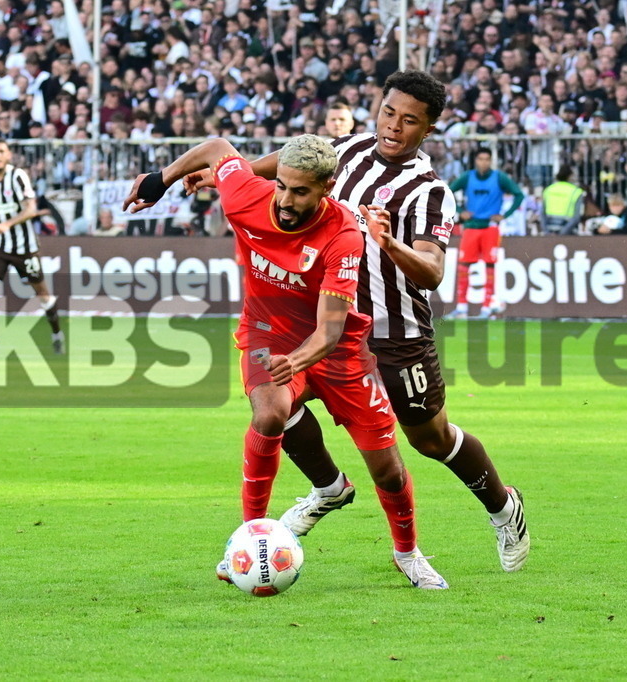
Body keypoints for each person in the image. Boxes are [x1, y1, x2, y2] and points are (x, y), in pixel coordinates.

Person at [186, 70, 529, 573]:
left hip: (396, 332)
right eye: (389, 112)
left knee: (428, 440)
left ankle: (504, 507)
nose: (394, 126)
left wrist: (390, 245)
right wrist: (220, 174)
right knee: (276, 403)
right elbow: (285, 167)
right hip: (321, 323)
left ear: (427, 129)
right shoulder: (342, 150)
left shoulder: (429, 191)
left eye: (409, 120)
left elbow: (433, 272)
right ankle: (326, 488)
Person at [125, 134, 449, 589]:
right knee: (271, 411)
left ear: (326, 187)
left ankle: (407, 552)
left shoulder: (343, 235)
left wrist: (295, 361)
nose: (285, 200)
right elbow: (219, 148)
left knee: (387, 468)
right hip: (265, 332)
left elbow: (330, 330)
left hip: (336, 350)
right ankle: (248, 537)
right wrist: (161, 179)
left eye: (300, 191)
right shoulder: (246, 197)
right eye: (281, 185)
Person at [0, 138, 64, 356]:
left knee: (42, 293)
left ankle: (56, 332)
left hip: (24, 246)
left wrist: (7, 224)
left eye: (1, 151)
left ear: (8, 155)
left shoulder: (18, 176)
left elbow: (30, 210)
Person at [448, 147, 524, 319]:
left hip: (490, 226)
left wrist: (505, 215)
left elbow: (519, 195)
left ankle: (487, 307)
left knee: (490, 264)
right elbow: (447, 192)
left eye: (487, 159)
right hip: (471, 226)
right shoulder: (468, 176)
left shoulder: (499, 177)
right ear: (476, 160)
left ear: (491, 161)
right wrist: (460, 210)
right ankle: (461, 307)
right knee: (464, 265)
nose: (484, 162)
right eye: (481, 159)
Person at [541, 165, 586, 235]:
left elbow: (542, 214)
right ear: (570, 176)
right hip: (568, 230)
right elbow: (576, 217)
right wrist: (562, 233)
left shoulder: (548, 190)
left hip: (550, 228)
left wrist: (546, 232)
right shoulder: (576, 192)